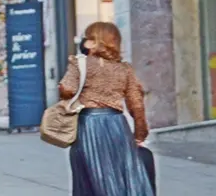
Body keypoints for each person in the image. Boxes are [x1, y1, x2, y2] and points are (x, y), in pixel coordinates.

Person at [60, 22, 154, 196]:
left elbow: (67, 89)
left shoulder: (80, 64)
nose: (84, 41)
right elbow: (136, 104)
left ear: (96, 41)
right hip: (117, 124)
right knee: (120, 175)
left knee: (89, 178)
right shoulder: (124, 69)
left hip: (88, 124)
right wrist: (140, 134)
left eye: (88, 38)